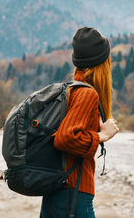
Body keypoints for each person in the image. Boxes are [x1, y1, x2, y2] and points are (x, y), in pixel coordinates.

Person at [40, 27, 120, 217]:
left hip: (60, 192)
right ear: (102, 63)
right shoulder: (87, 93)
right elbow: (65, 138)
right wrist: (103, 135)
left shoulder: (72, 90)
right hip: (72, 195)